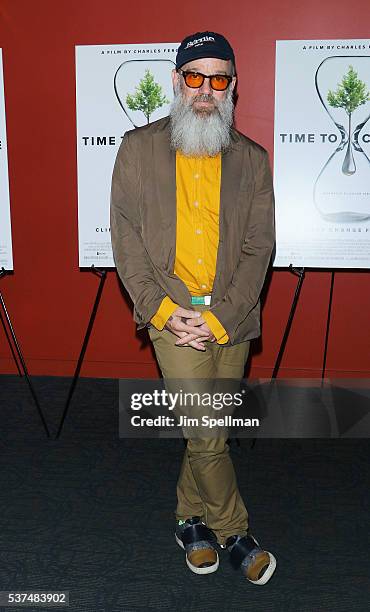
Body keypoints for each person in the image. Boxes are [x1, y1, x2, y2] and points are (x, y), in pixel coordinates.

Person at [110, 31, 276, 584]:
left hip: (231, 318)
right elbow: (126, 239)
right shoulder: (137, 148)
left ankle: (189, 519)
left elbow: (259, 249)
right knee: (206, 431)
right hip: (170, 317)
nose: (206, 90)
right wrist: (162, 310)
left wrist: (220, 317)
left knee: (211, 427)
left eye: (219, 78)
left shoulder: (253, 160)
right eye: (195, 77)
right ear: (178, 81)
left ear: (232, 86)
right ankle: (236, 532)